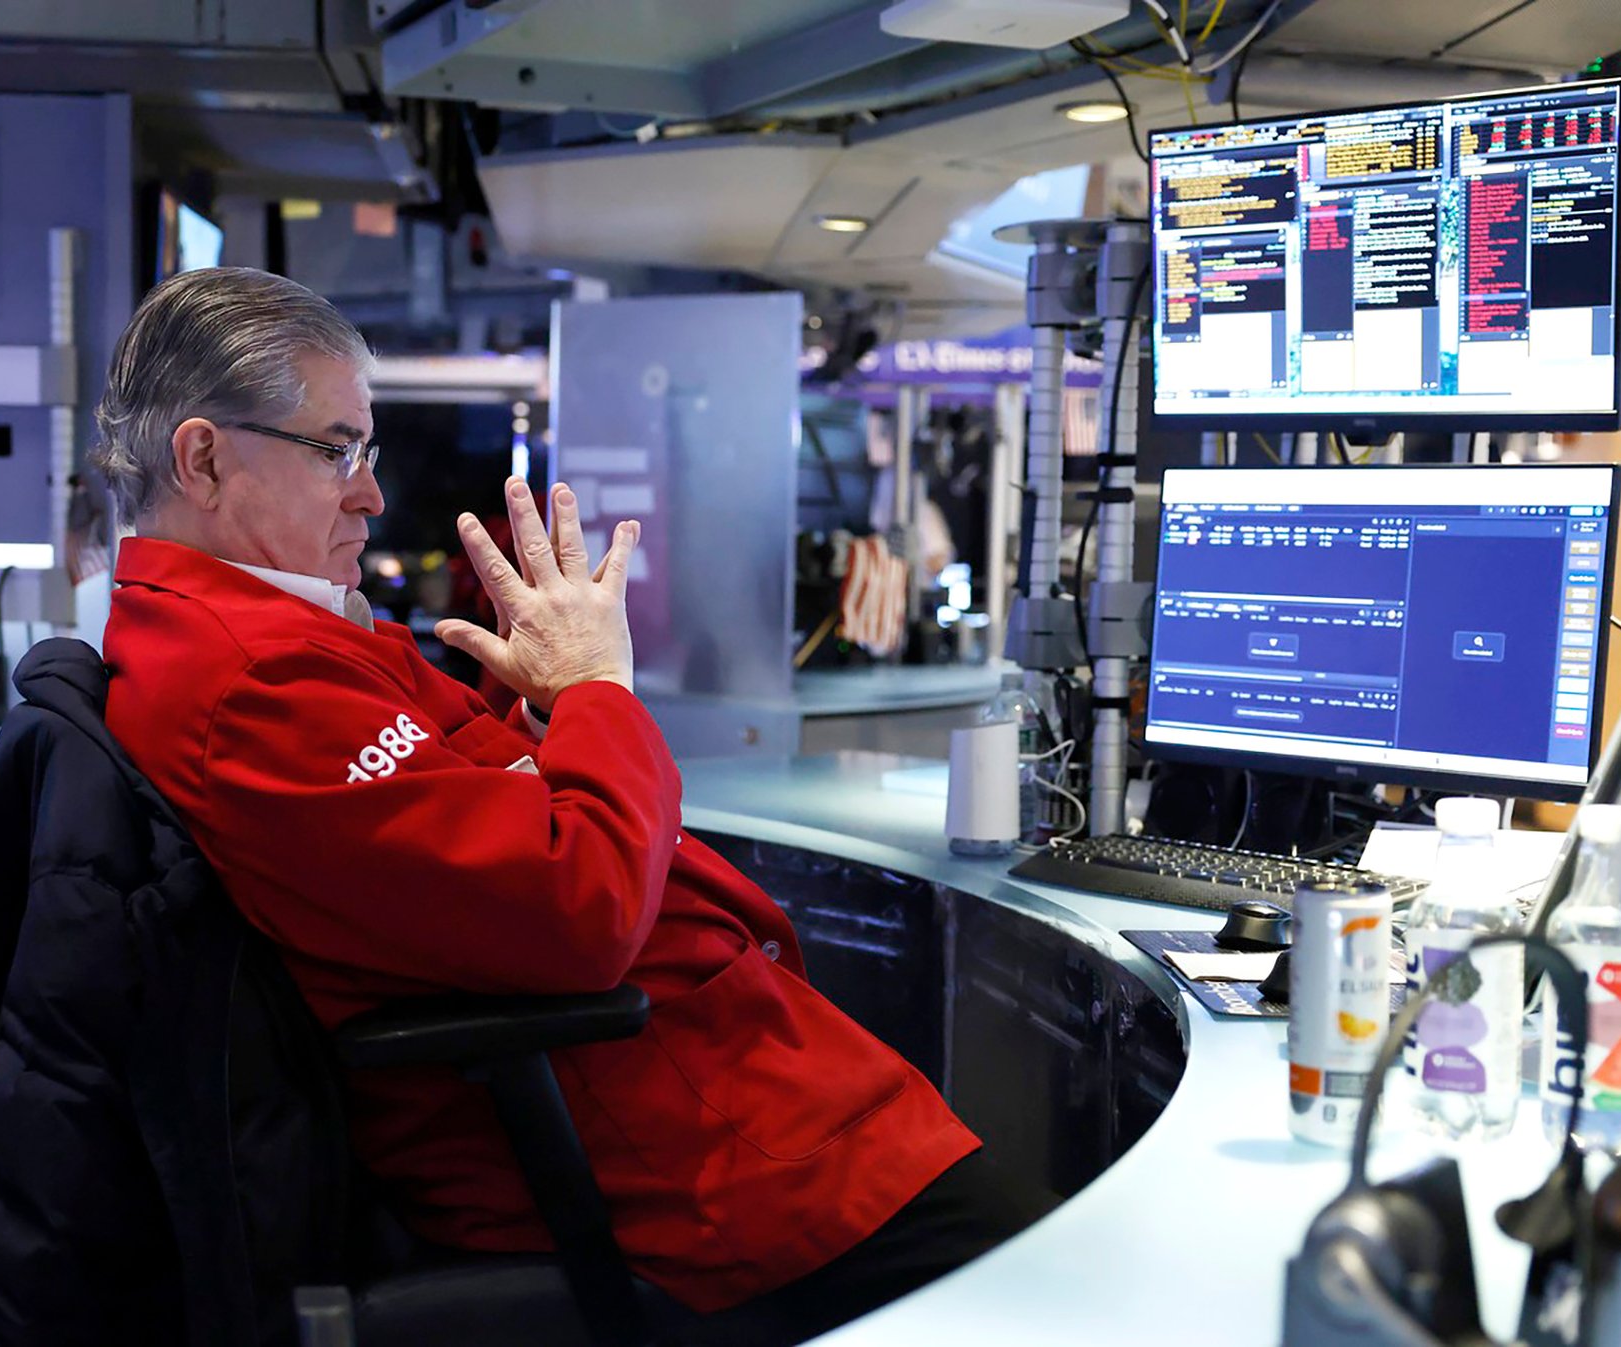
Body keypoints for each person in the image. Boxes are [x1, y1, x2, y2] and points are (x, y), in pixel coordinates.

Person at [92, 268, 1040, 1343]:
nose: (369, 494)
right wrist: (594, 689)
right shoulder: (248, 682)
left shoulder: (268, 636)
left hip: (691, 1096)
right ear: (205, 457)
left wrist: (542, 703)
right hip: (687, 1155)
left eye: (368, 454)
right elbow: (577, 905)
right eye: (336, 451)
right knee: (1052, 1282)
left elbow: (455, 802)